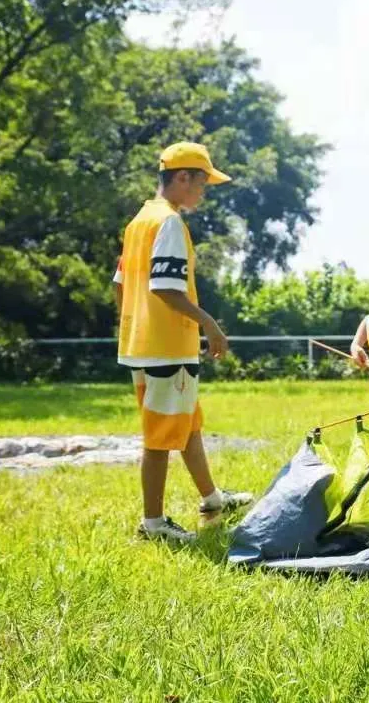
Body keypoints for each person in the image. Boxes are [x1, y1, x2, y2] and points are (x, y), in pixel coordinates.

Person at [113, 142, 253, 544]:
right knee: (159, 439)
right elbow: (166, 289)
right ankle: (153, 525)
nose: (203, 193)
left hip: (144, 345)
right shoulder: (169, 223)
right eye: (202, 183)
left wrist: (135, 325)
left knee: (188, 425)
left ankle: (212, 499)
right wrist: (211, 325)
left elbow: (119, 285)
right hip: (166, 348)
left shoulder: (139, 221)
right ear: (182, 177)